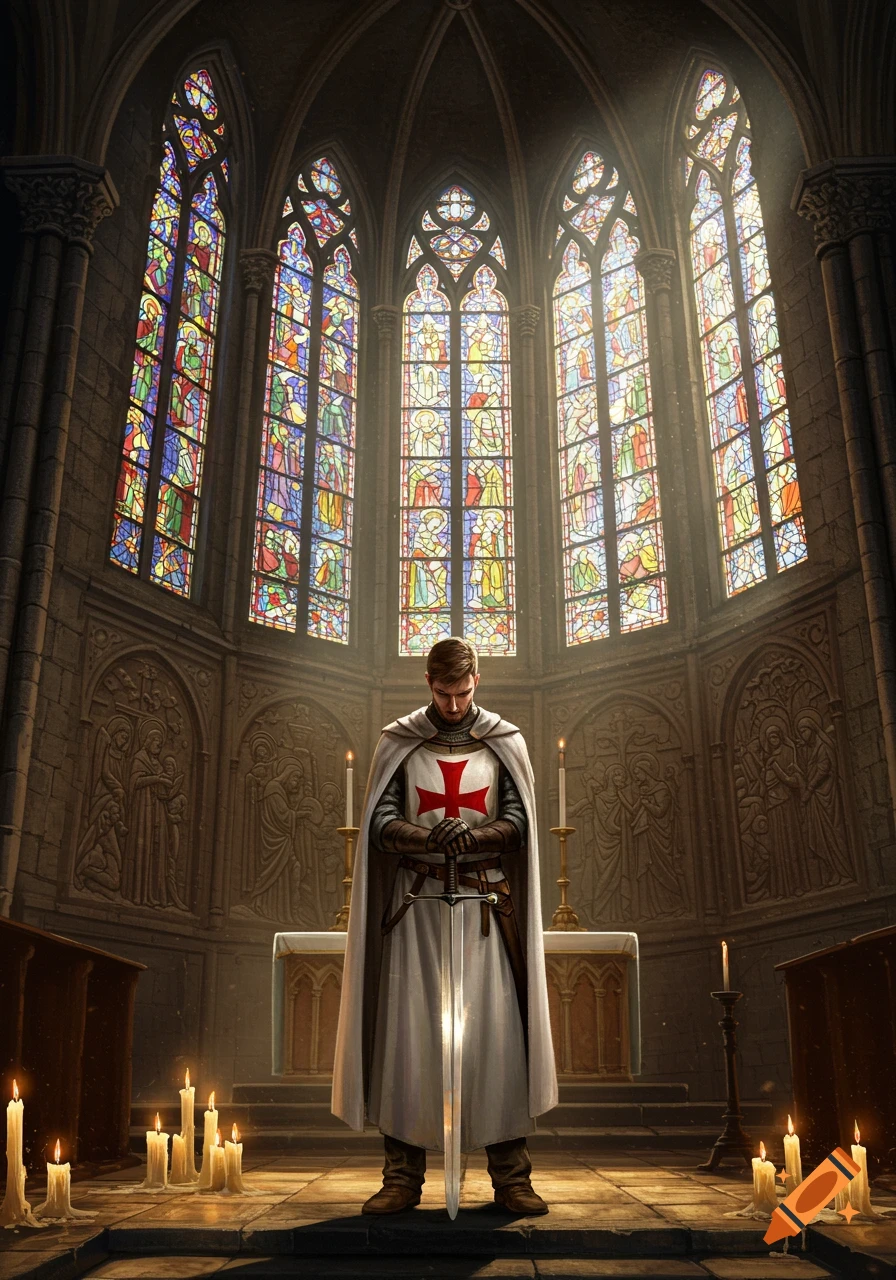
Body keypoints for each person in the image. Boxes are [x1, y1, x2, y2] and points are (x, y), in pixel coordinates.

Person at [332, 637, 556, 1216]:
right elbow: (380, 820)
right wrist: (427, 837)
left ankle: (511, 1176)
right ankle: (401, 1177)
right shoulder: (400, 742)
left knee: (497, 1040)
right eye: (442, 694)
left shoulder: (504, 742)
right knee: (410, 1040)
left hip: (485, 905)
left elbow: (516, 822)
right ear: (427, 685)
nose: (453, 706)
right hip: (418, 905)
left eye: (462, 692)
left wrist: (472, 837)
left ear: (476, 680)